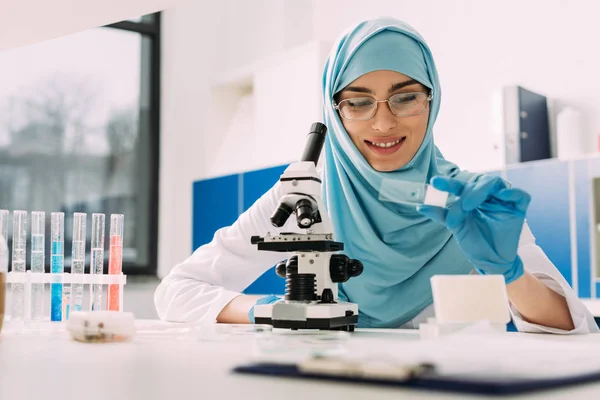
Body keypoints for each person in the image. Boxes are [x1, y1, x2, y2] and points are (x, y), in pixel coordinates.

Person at [154, 17, 598, 334]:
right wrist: (269, 310)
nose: (383, 124)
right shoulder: (306, 197)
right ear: (335, 109)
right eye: (359, 101)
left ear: (432, 100)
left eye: (405, 98)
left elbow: (572, 328)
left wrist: (510, 273)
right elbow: (176, 291)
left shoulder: (466, 200)